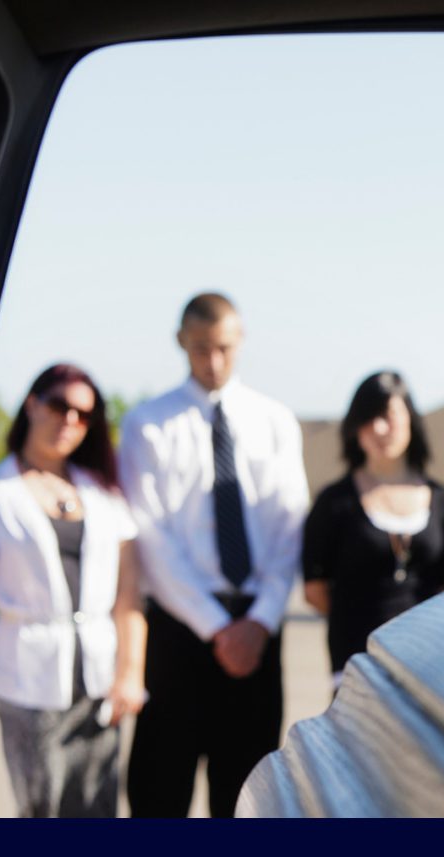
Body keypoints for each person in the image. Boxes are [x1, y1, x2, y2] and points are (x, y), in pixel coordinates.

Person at [118, 292, 308, 818]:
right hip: (180, 632)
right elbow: (150, 535)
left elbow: (289, 526)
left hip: (258, 629)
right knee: (161, 790)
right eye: (201, 348)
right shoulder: (147, 425)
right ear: (182, 342)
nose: (213, 360)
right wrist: (214, 626)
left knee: (248, 795)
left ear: (240, 339)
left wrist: (261, 619)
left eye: (223, 347)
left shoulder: (274, 421)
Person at [0, 364, 143, 817]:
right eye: (60, 406)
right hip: (29, 676)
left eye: (84, 415)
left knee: (100, 806)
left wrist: (131, 672)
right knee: (42, 806)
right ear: (32, 404)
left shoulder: (104, 494)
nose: (70, 421)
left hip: (99, 676)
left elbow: (129, 597)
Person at [303, 372, 444, 675]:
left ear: (410, 419)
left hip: (427, 665)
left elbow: (443, 584)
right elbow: (315, 590)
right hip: (356, 665)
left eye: (387, 415)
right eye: (367, 418)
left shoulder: (443, 501)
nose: (378, 428)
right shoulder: (334, 502)